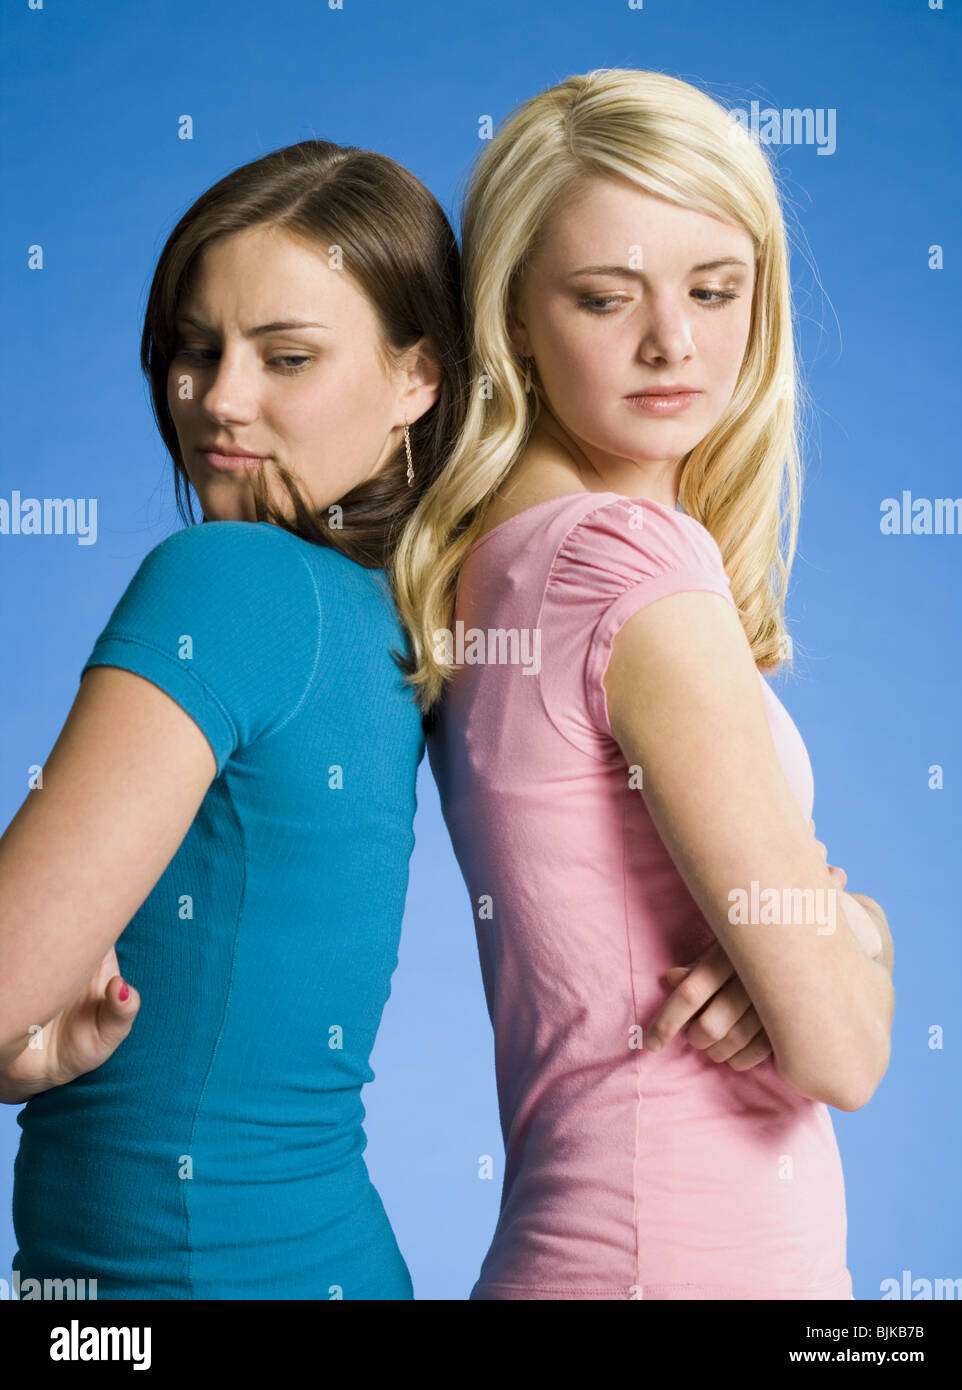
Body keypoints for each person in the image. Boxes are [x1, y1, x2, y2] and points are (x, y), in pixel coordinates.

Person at [390, 68, 895, 1300]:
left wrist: (831, 934)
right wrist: (846, 942)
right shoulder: (629, 560)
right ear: (510, 317)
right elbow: (840, 1048)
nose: (673, 342)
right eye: (604, 298)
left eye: (715, 290)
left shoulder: (492, 567)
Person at [0, 139, 467, 1299]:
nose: (220, 399)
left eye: (288, 356)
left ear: (418, 377)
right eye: (198, 350)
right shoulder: (390, 616)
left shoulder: (231, 583)